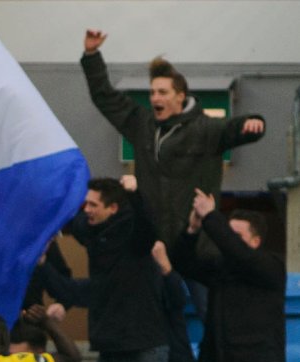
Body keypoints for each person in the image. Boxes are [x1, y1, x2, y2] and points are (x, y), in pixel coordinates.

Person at [80, 29, 266, 316]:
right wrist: (92, 56)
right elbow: (105, 98)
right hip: (154, 247)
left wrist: (254, 124)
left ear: (180, 97)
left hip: (197, 250)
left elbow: (233, 129)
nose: (155, 97)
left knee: (212, 318)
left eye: (162, 92)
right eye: (152, 92)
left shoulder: (204, 129)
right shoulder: (141, 125)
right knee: (157, 324)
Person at [36, 176, 172, 362]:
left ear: (113, 208)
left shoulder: (133, 238)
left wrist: (134, 194)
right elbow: (80, 291)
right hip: (110, 345)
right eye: (84, 204)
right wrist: (45, 267)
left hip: (142, 344)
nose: (86, 210)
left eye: (93, 205)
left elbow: (148, 229)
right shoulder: (95, 239)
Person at [171, 191, 286, 362]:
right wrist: (192, 230)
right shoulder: (222, 270)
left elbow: (239, 254)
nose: (228, 240)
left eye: (237, 235)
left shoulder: (270, 267)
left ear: (256, 242)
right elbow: (184, 263)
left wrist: (212, 217)